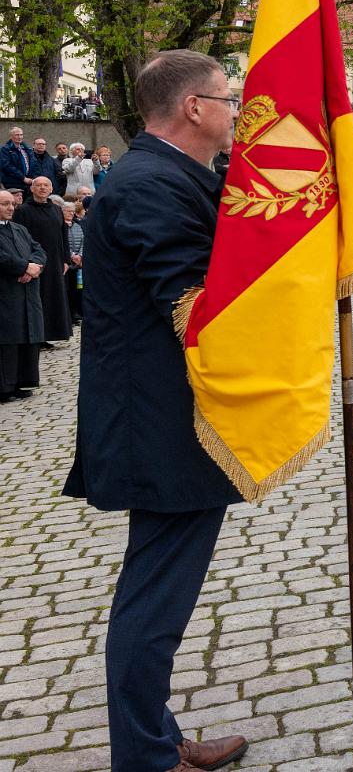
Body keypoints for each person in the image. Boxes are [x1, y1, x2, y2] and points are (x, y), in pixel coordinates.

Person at [64, 49, 248, 772]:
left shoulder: (166, 175)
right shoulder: (149, 186)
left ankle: (156, 737)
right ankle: (144, 755)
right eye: (226, 99)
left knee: (160, 590)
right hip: (161, 426)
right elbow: (195, 305)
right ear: (194, 108)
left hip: (167, 419)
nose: (235, 111)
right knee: (155, 599)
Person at [15, 177, 72, 346]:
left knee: (52, 298)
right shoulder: (23, 210)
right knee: (37, 299)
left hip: (55, 262)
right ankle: (36, 336)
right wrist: (26, 263)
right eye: (38, 185)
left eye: (45, 185)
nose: (42, 188)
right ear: (31, 189)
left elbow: (64, 237)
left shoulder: (56, 210)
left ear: (51, 188)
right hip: (34, 263)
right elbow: (18, 239)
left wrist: (66, 259)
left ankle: (48, 334)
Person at [0, 189, 45, 403]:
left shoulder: (20, 229)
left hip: (27, 293)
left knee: (27, 336)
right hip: (7, 293)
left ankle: (21, 381)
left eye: (12, 204)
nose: (10, 208)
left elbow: (38, 249)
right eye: (5, 204)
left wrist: (35, 266)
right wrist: (25, 267)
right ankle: (5, 387)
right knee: (8, 340)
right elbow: (2, 258)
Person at [65, 198, 85, 323]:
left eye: (72, 211)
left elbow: (83, 241)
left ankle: (75, 312)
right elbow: (63, 242)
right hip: (67, 262)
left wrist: (80, 256)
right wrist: (72, 255)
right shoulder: (61, 226)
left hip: (78, 264)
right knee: (67, 290)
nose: (71, 213)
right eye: (68, 211)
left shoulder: (77, 226)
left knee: (76, 289)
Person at [1, 126, 39, 191]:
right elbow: (7, 166)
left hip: (28, 183)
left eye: (21, 135)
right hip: (13, 183)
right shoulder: (5, 149)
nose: (19, 137)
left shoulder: (28, 149)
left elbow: (35, 164)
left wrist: (33, 178)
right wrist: (23, 178)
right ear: (11, 136)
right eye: (17, 135)